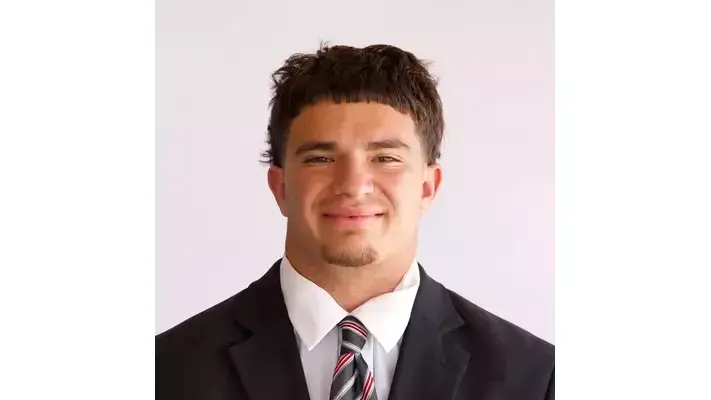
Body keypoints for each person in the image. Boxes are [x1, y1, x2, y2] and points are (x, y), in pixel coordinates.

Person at [156, 43, 554, 400]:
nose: (353, 185)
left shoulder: (536, 378)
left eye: (385, 158)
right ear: (280, 187)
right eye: (320, 159)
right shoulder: (165, 372)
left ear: (427, 187)